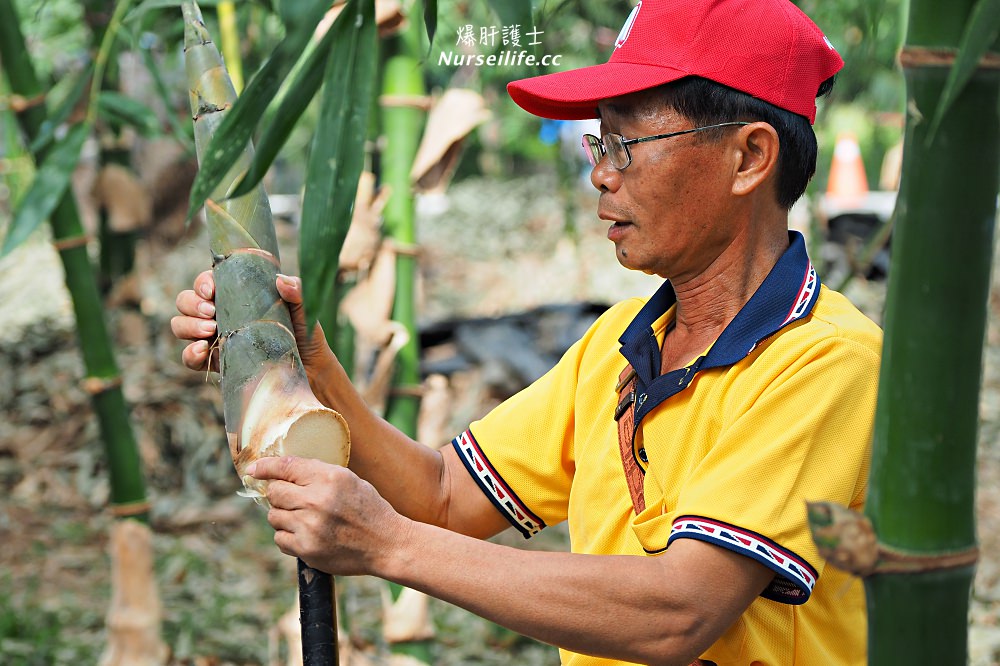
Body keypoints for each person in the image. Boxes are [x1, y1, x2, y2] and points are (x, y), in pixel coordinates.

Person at [172, 0, 882, 663]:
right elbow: (446, 496)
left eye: (628, 143)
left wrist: (388, 546)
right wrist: (312, 363)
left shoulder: (824, 360)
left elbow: (681, 611)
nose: (601, 174)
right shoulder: (618, 347)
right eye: (598, 143)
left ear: (750, 157)